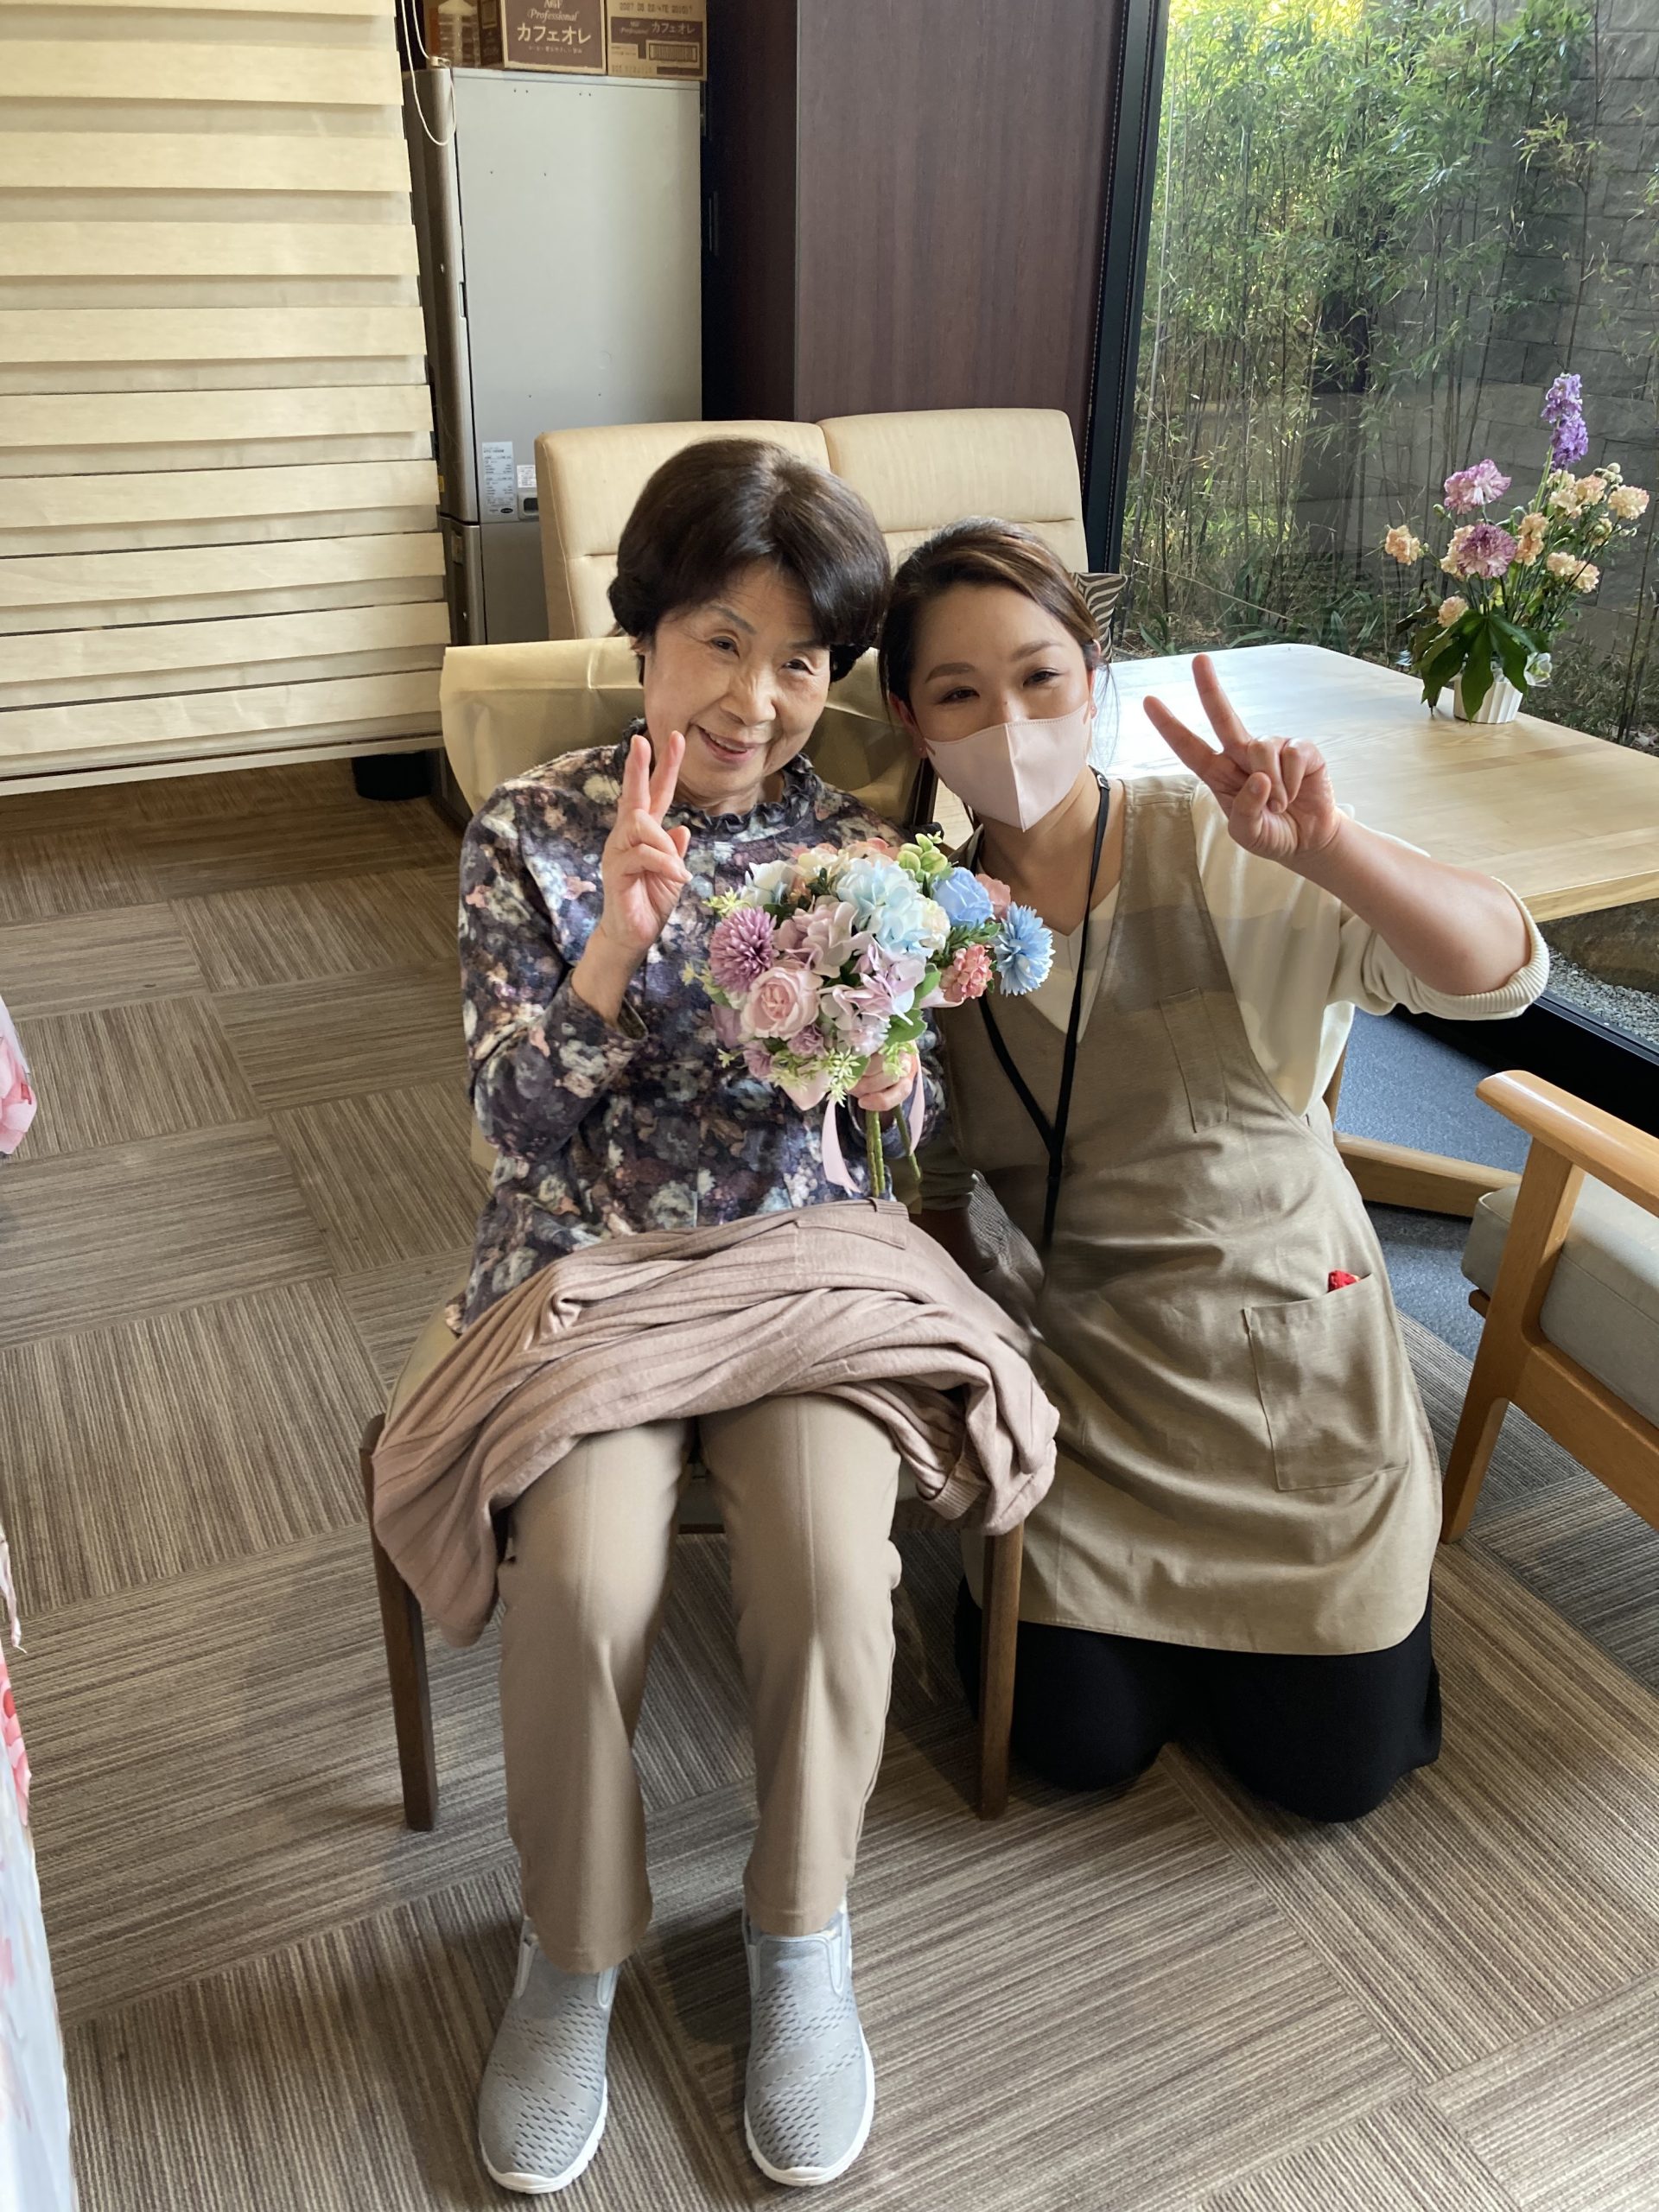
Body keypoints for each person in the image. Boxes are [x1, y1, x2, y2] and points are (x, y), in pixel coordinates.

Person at [882, 518, 1548, 1825]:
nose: (1007, 722)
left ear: (1095, 679)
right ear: (912, 721)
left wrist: (1331, 849)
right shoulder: (920, 929)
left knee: (1333, 1778)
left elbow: (1497, 972)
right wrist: (971, 1357)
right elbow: (937, 1179)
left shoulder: (1233, 844)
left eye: (1039, 677)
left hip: (1294, 1359)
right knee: (1069, 1745)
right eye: (958, 693)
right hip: (1092, 1377)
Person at [460, 440, 931, 2194]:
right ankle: (573, 1951)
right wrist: (609, 951)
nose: (757, 697)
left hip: (795, 1269)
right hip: (592, 1267)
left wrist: (882, 1067)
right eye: (722, 640)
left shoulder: (860, 845)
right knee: (582, 1583)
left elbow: (896, 1135)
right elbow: (508, 1131)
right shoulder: (531, 831)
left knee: (830, 1578)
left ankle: (803, 1936)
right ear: (647, 630)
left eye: (802, 659)